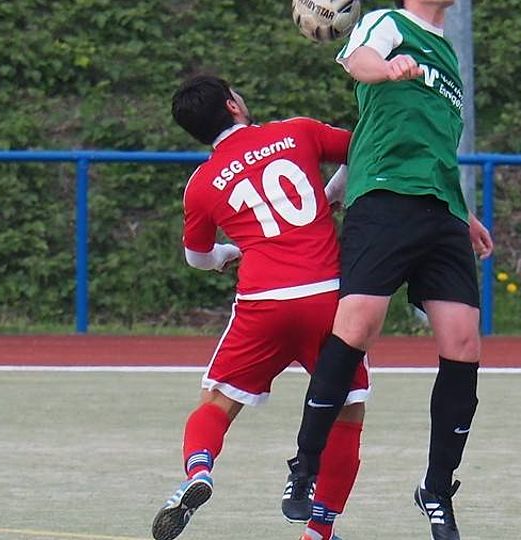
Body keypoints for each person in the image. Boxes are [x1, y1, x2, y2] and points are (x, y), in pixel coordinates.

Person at [280, 1, 493, 539]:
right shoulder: (388, 23)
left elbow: (430, 141)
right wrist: (388, 66)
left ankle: (436, 489)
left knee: (464, 343)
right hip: (384, 196)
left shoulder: (447, 54)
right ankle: (305, 465)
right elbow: (359, 61)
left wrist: (465, 214)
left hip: (441, 207)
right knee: (358, 325)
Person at [151, 74, 369, 540]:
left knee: (217, 401)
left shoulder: (201, 184)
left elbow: (197, 258)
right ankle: (319, 531)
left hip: (263, 302)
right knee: (347, 412)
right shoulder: (297, 131)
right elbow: (364, 148)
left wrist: (229, 254)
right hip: (327, 297)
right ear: (233, 104)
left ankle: (199, 471)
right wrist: (329, 196)